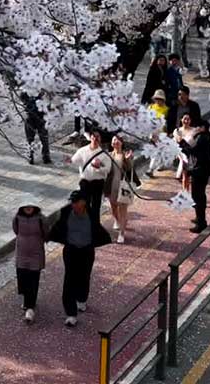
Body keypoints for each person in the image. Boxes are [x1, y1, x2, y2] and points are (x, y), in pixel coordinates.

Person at [48, 190, 113, 327]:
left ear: (83, 202)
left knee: (84, 276)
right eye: (72, 202)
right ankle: (70, 313)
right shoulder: (66, 211)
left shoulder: (92, 213)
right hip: (71, 250)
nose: (74, 205)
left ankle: (82, 298)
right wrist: (47, 236)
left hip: (87, 250)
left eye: (76, 202)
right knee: (69, 279)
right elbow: (59, 226)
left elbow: (96, 229)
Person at [13, 203, 48, 322]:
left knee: (33, 280)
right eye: (26, 206)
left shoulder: (41, 219)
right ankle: (27, 300)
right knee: (22, 278)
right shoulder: (17, 218)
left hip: (36, 253)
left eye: (31, 206)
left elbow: (46, 232)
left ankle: (30, 308)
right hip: (21, 254)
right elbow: (15, 230)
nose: (28, 208)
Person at [181, 119, 210, 234]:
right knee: (199, 195)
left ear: (202, 128)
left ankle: (201, 222)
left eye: (197, 127)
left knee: (197, 196)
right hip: (202, 171)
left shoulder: (202, 139)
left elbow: (192, 151)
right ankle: (199, 217)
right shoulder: (205, 137)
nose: (195, 129)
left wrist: (181, 142)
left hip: (200, 171)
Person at [71, 131, 113, 215]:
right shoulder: (82, 150)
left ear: (100, 139)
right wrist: (70, 160)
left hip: (98, 183)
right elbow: (74, 160)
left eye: (97, 137)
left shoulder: (104, 154)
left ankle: (95, 225)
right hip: (85, 181)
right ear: (90, 138)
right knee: (84, 205)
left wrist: (99, 168)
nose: (95, 139)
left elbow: (108, 169)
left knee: (96, 206)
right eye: (93, 136)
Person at [107, 136, 140, 243]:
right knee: (113, 207)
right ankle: (117, 221)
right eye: (113, 140)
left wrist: (128, 159)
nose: (115, 142)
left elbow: (130, 169)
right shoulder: (109, 155)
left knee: (123, 210)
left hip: (123, 186)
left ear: (121, 143)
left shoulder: (125, 154)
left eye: (117, 140)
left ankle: (121, 233)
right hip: (111, 186)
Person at [171, 113, 203, 194]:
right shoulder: (177, 131)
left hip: (191, 155)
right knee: (185, 176)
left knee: (187, 177)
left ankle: (186, 193)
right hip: (182, 154)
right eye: (184, 119)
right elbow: (177, 141)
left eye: (188, 119)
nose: (186, 121)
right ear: (181, 120)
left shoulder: (194, 130)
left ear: (190, 120)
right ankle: (185, 192)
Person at [21, 94, 53, 165]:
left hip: (39, 116)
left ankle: (45, 156)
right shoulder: (26, 89)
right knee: (32, 138)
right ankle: (32, 155)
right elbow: (22, 98)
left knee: (43, 137)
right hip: (32, 116)